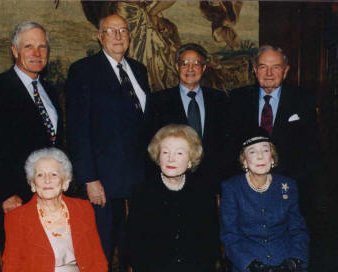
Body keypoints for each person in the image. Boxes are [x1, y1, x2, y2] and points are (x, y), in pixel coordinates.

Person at [0, 21, 63, 270]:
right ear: (14, 50)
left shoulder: (50, 91)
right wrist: (2, 195)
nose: (37, 53)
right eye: (29, 46)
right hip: (16, 201)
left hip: (52, 200)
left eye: (42, 46)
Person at [65, 14, 150, 270]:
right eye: (111, 31)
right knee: (101, 251)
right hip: (102, 183)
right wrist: (89, 179)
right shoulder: (83, 71)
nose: (118, 36)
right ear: (99, 36)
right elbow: (77, 130)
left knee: (133, 249)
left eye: (123, 30)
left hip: (138, 181)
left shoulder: (138, 69)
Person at [227, 45, 320, 218]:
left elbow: (311, 149)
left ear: (285, 71)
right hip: (248, 187)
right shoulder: (238, 98)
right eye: (263, 67)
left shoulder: (303, 99)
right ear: (255, 70)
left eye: (275, 67)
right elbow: (231, 146)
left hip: (290, 185)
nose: (269, 73)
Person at [127, 124, 219, 272]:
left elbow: (210, 247)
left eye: (179, 153)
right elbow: (134, 248)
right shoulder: (143, 193)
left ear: (190, 159)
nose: (171, 159)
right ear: (158, 157)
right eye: (165, 152)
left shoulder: (204, 193)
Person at [3, 147, 107, 272]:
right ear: (33, 184)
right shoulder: (16, 218)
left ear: (65, 182)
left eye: (54, 174)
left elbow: (98, 259)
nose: (47, 180)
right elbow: (11, 266)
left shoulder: (83, 209)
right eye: (40, 175)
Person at [220, 134, 309, 272]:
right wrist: (252, 266)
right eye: (252, 151)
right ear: (244, 161)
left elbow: (298, 231)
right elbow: (230, 237)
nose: (260, 156)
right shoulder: (232, 188)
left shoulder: (288, 185)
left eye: (265, 150)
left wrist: (294, 261)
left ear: (272, 158)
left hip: (286, 261)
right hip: (248, 264)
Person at [147, 43, 229, 193]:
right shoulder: (158, 101)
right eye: (184, 63)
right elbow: (151, 143)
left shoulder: (220, 99)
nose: (190, 69)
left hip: (212, 182)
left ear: (203, 68)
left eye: (196, 64)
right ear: (177, 67)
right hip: (172, 181)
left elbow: (226, 143)